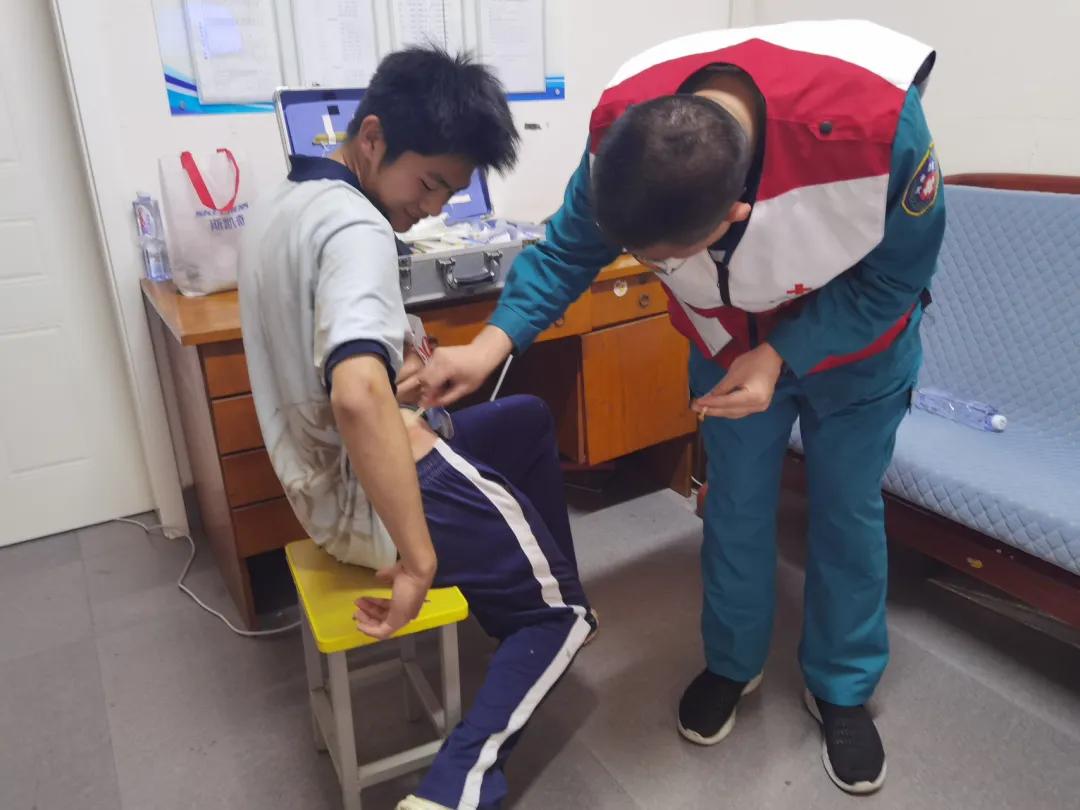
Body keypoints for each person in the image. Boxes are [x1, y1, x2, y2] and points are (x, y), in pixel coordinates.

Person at [419, 20, 946, 795]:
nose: (653, 268)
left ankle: (842, 685)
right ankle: (733, 663)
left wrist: (783, 354)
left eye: (664, 260)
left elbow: (898, 278)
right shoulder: (626, 134)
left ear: (735, 218)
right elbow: (568, 249)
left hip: (859, 347)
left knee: (846, 512)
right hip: (728, 346)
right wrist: (490, 345)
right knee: (733, 505)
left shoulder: (878, 132)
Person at [239, 47, 594, 810]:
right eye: (428, 183)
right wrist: (418, 560)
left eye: (451, 192)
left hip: (314, 479)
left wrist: (402, 357)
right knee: (567, 618)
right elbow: (358, 397)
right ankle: (451, 791)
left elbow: (330, 360)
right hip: (367, 494)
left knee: (527, 420)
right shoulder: (357, 227)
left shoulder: (284, 199)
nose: (433, 207)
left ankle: (517, 602)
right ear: (372, 138)